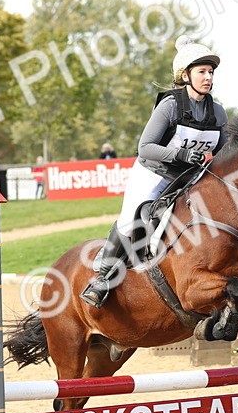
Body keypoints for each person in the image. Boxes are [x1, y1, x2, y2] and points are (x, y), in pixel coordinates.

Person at [80, 35, 228, 307]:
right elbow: (145, 147)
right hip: (154, 172)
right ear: (185, 75)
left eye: (210, 72)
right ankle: (103, 278)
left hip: (188, 178)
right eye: (202, 72)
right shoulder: (170, 106)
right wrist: (181, 154)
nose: (208, 77)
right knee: (131, 218)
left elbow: (224, 152)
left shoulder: (217, 113)